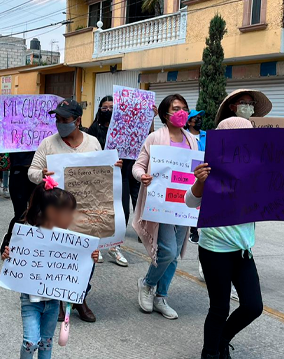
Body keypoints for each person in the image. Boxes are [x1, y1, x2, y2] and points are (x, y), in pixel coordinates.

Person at [1, 177, 99, 359]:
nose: (70, 218)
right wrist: (7, 254)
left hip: (53, 301)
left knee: (46, 341)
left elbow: (80, 264)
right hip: (30, 300)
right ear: (49, 213)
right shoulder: (26, 232)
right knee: (30, 341)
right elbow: (8, 253)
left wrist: (91, 257)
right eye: (66, 213)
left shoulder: (70, 240)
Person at [185, 116, 264, 359]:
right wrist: (200, 183)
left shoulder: (252, 168)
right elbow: (190, 201)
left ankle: (221, 344)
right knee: (220, 307)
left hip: (243, 249)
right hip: (215, 248)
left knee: (254, 305)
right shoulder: (210, 166)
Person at [28, 99, 107, 323]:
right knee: (58, 256)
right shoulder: (48, 144)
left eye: (65, 119)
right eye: (57, 119)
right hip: (56, 213)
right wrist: (41, 174)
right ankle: (57, 302)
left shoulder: (92, 143)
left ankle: (79, 297)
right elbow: (31, 172)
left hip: (86, 211)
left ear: (77, 120)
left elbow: (101, 172)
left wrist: (113, 168)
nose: (60, 123)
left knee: (86, 258)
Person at [133, 94, 198, 320]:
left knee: (175, 253)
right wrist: (143, 176)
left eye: (184, 108)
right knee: (168, 250)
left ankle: (162, 295)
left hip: (185, 203)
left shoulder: (192, 140)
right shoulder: (154, 138)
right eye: (176, 108)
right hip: (161, 203)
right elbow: (138, 166)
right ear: (165, 113)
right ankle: (147, 283)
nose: (181, 112)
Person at [86, 96, 131, 267]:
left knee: (123, 212)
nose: (108, 111)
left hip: (121, 176)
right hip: (99, 178)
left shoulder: (124, 130)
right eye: (104, 108)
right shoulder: (92, 131)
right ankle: (96, 245)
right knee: (99, 212)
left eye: (111, 107)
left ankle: (114, 247)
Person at [186, 109, 206, 244]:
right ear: (189, 122)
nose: (199, 120)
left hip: (204, 172)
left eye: (200, 117)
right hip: (188, 171)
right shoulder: (184, 136)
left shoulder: (207, 135)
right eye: (196, 118)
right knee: (192, 201)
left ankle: (199, 227)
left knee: (202, 203)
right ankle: (193, 230)